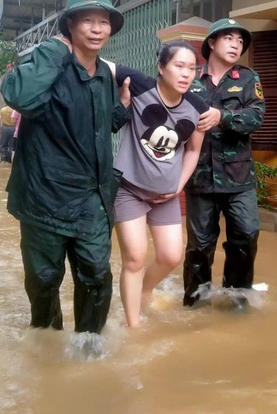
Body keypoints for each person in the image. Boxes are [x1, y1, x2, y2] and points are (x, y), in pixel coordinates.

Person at [0, 0, 130, 340]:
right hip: (45, 196)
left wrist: (122, 107)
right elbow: (22, 97)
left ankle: (88, 347)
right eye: (87, 20)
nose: (96, 29)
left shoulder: (105, 74)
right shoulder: (49, 59)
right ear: (70, 24)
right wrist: (55, 49)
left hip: (91, 199)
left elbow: (94, 127)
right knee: (44, 279)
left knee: (96, 275)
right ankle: (46, 345)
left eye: (103, 22)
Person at [113, 42, 208, 328]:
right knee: (135, 257)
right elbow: (100, 64)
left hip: (166, 194)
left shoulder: (197, 108)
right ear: (161, 67)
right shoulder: (141, 89)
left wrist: (177, 186)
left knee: (171, 256)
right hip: (129, 188)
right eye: (179, 66)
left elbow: (193, 151)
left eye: (192, 68)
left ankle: (144, 289)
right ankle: (134, 326)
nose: (186, 74)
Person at [183, 18, 266, 309]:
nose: (235, 44)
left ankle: (236, 299)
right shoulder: (190, 80)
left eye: (240, 41)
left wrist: (224, 117)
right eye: (229, 38)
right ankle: (195, 303)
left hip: (239, 179)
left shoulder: (247, 79)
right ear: (212, 43)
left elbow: (256, 117)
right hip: (200, 179)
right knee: (199, 248)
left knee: (245, 238)